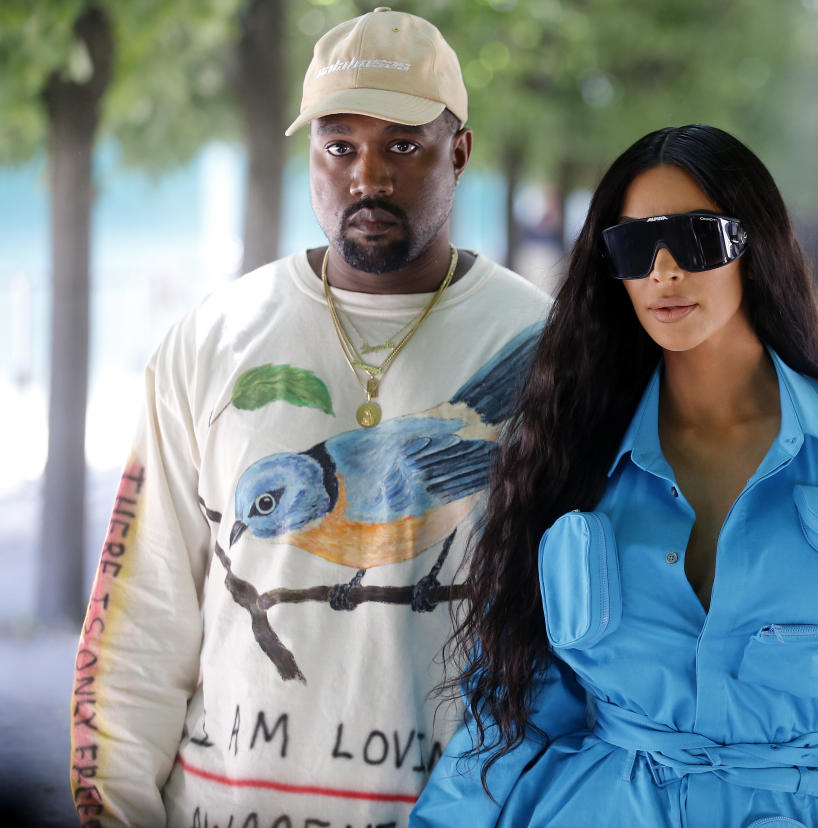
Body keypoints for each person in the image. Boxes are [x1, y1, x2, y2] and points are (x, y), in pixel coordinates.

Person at [409, 124, 818, 827]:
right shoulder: (569, 452)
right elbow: (513, 714)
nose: (663, 270)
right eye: (633, 245)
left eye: (695, 238)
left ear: (756, 244)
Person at [69, 9, 549, 826]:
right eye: (340, 146)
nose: (369, 176)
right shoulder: (211, 338)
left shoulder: (545, 345)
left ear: (458, 151)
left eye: (403, 145)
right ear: (311, 154)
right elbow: (143, 610)